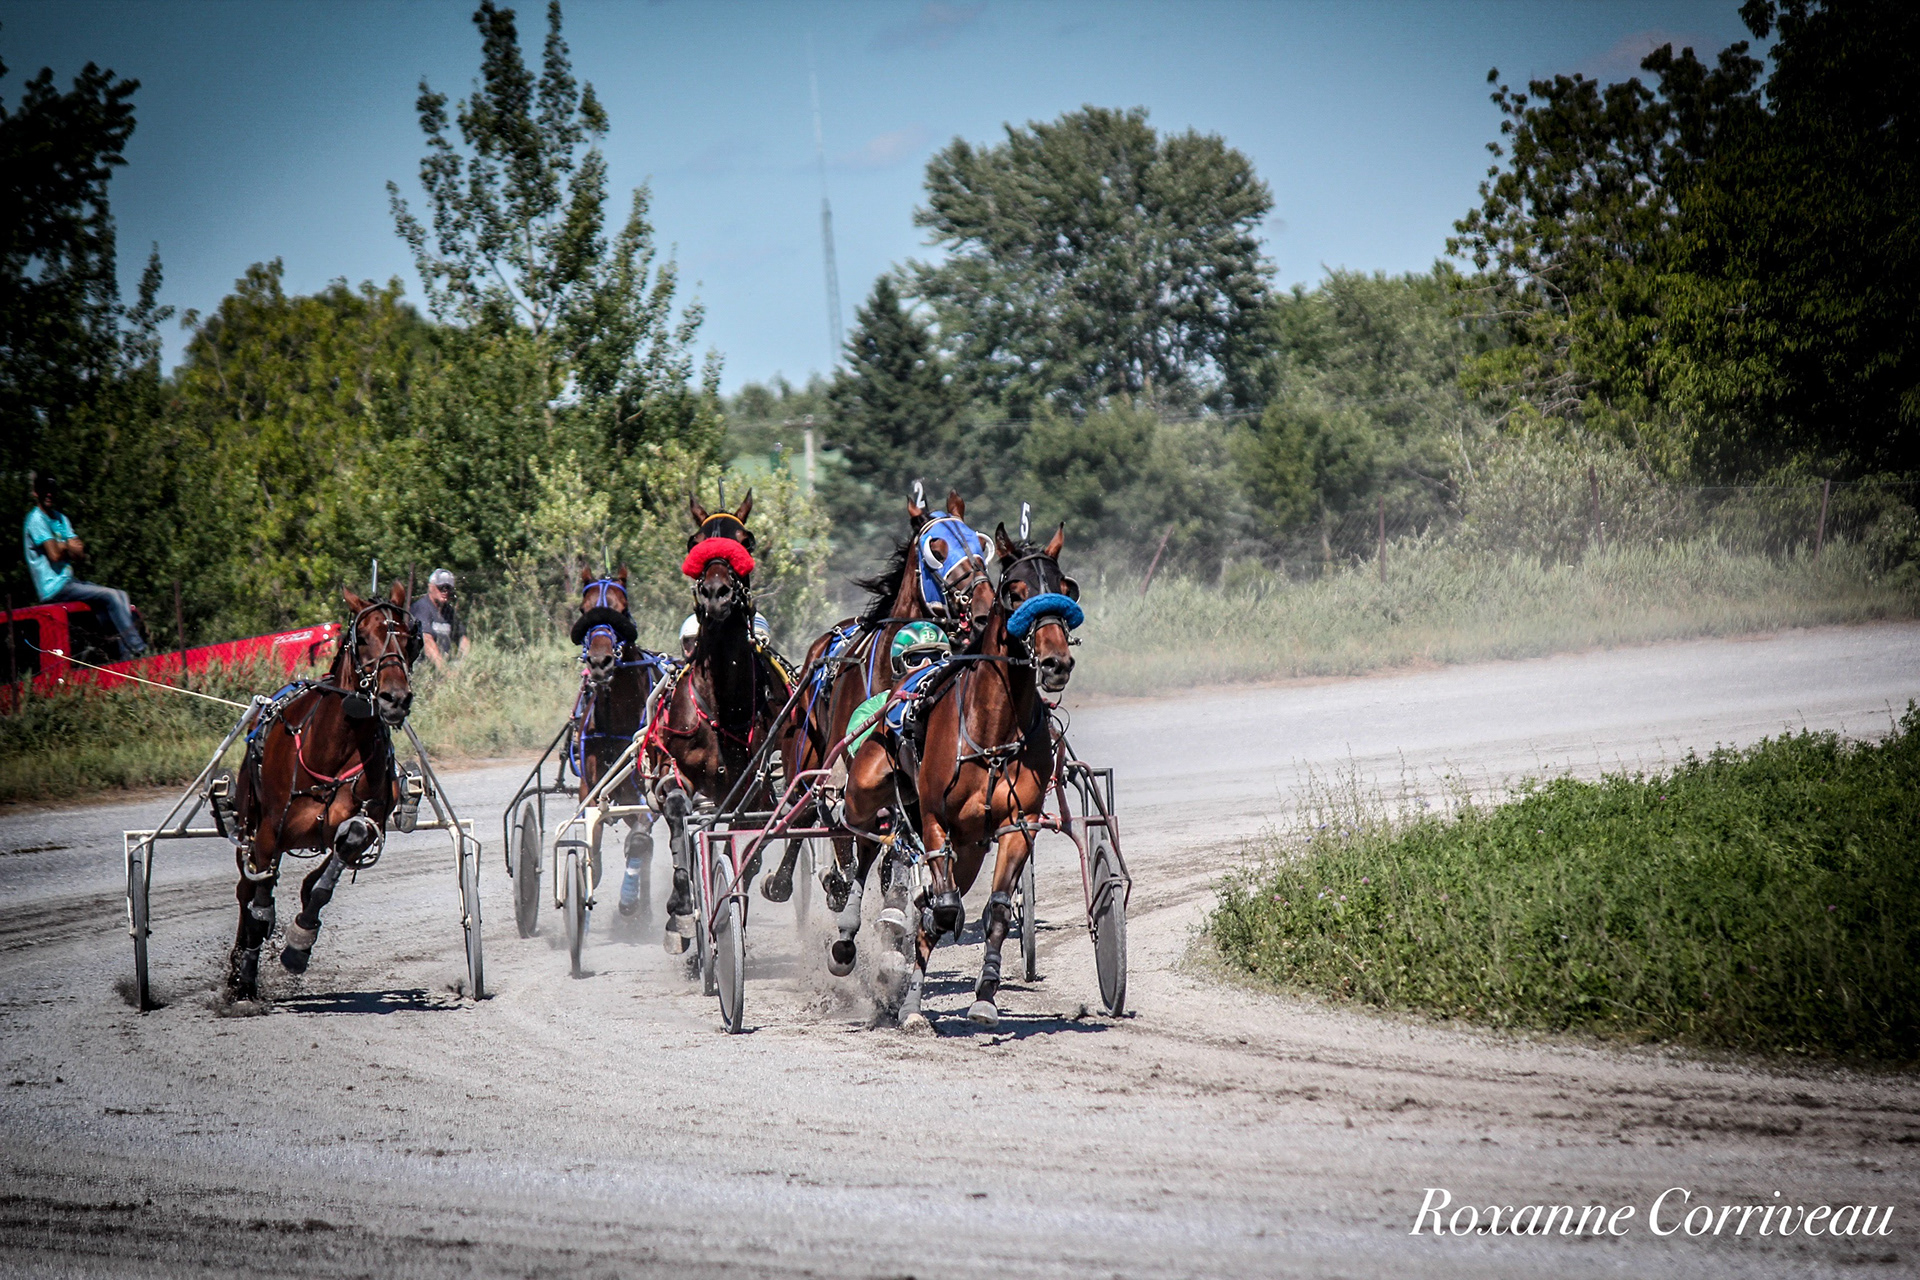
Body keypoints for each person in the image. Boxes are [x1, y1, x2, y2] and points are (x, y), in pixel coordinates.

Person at [21, 473, 147, 659]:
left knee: (121, 595)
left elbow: (80, 553)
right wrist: (66, 545)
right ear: (35, 493)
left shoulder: (60, 519)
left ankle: (124, 654)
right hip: (53, 588)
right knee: (111, 596)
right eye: (44, 491)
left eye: (52, 490)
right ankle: (137, 648)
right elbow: (55, 555)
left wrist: (64, 546)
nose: (49, 494)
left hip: (70, 582)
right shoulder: (36, 520)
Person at [410, 568, 468, 668]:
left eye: (448, 588)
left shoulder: (448, 611)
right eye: (441, 587)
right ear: (431, 586)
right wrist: (445, 672)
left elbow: (463, 639)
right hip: (422, 670)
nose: (445, 591)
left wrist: (464, 664)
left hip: (442, 669)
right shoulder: (422, 608)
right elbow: (427, 642)